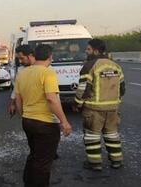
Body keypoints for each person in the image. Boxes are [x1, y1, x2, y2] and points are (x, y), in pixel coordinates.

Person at [15, 44, 72, 187]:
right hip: (45, 124)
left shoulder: (22, 73)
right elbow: (52, 99)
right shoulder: (48, 73)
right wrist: (64, 121)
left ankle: (28, 183)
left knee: (34, 155)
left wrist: (24, 115)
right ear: (50, 57)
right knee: (43, 162)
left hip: (28, 121)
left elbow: (18, 99)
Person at [73, 39, 125, 171]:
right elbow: (122, 89)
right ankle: (117, 160)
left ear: (96, 51)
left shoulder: (90, 66)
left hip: (94, 108)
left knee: (92, 136)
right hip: (113, 108)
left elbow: (83, 89)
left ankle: (95, 163)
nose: (86, 51)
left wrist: (77, 104)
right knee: (112, 134)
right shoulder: (116, 66)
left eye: (88, 49)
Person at [8, 45, 35, 117]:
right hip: (27, 112)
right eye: (18, 59)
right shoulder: (20, 70)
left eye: (22, 58)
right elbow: (16, 89)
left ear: (30, 56)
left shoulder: (44, 69)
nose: (20, 61)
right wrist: (12, 104)